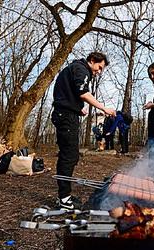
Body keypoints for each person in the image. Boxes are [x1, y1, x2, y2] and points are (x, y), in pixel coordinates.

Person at [51, 51, 116, 210]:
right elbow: (83, 92)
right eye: (99, 67)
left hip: (67, 113)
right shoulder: (81, 69)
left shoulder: (75, 68)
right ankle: (64, 199)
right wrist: (103, 108)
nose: (99, 71)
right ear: (92, 60)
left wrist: (77, 109)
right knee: (69, 156)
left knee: (70, 155)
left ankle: (64, 196)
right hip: (65, 116)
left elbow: (69, 93)